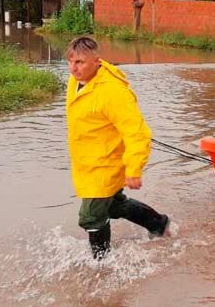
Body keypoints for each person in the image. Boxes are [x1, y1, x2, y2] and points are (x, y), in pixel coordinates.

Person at [65, 36, 170, 260]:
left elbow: (137, 132)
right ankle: (159, 224)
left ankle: (102, 264)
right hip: (86, 161)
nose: (73, 68)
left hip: (105, 163)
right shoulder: (76, 81)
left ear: (97, 61)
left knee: (90, 216)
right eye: (71, 62)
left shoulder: (113, 92)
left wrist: (134, 168)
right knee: (113, 207)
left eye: (80, 63)